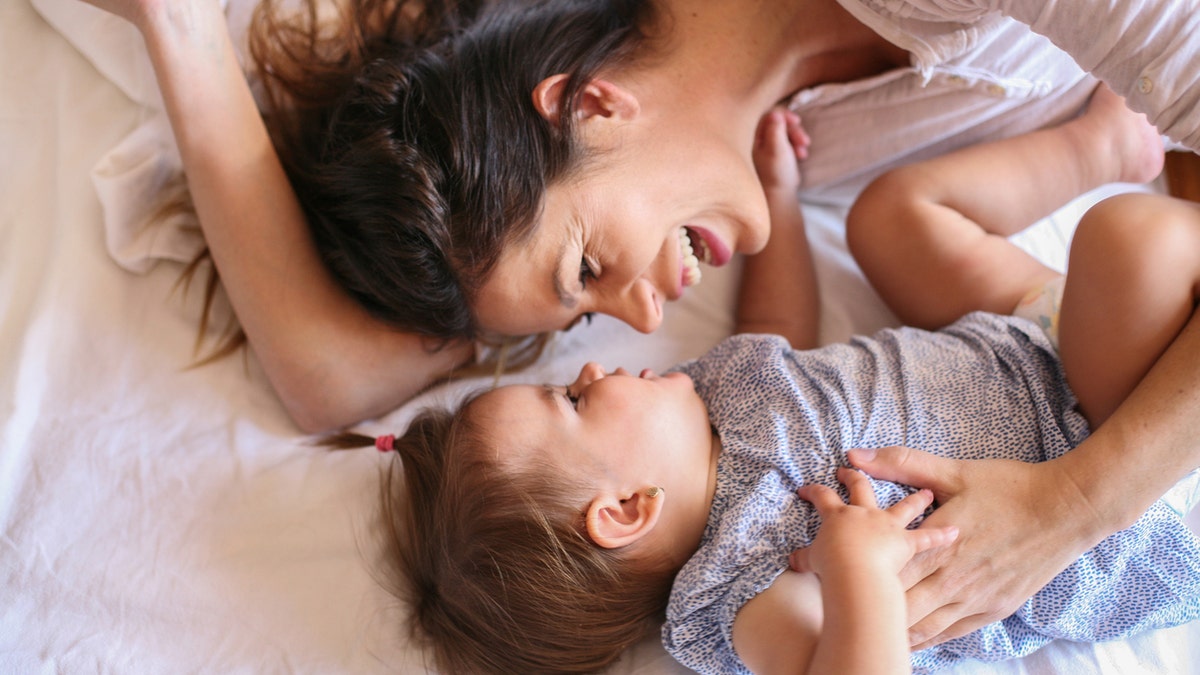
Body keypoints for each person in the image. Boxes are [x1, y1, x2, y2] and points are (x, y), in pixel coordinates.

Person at [81, 0, 1200, 649]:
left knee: (1118, 240)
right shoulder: (763, 144)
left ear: (591, 102)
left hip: (1059, 398)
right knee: (1068, 238)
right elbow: (330, 383)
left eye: (584, 266)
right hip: (1070, 401)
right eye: (583, 320)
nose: (639, 316)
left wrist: (1069, 505)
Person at [328, 89, 1200, 673]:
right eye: (574, 398)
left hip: (1023, 349)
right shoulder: (741, 592)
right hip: (1105, 466)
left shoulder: (712, 400)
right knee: (1132, 243)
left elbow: (781, 336)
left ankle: (1107, 142)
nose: (588, 365)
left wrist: (779, 206)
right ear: (626, 509)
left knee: (889, 217)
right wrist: (859, 569)